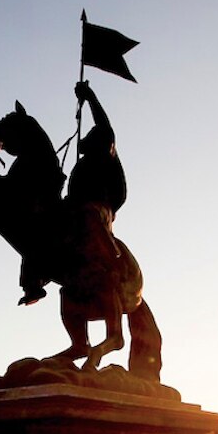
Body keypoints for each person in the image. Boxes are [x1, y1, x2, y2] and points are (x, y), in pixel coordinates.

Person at [65, 80, 127, 298]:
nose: (84, 140)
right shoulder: (84, 164)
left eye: (89, 137)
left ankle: (110, 253)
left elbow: (103, 124)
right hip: (76, 207)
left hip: (101, 208)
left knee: (88, 213)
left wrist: (90, 97)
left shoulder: (105, 152)